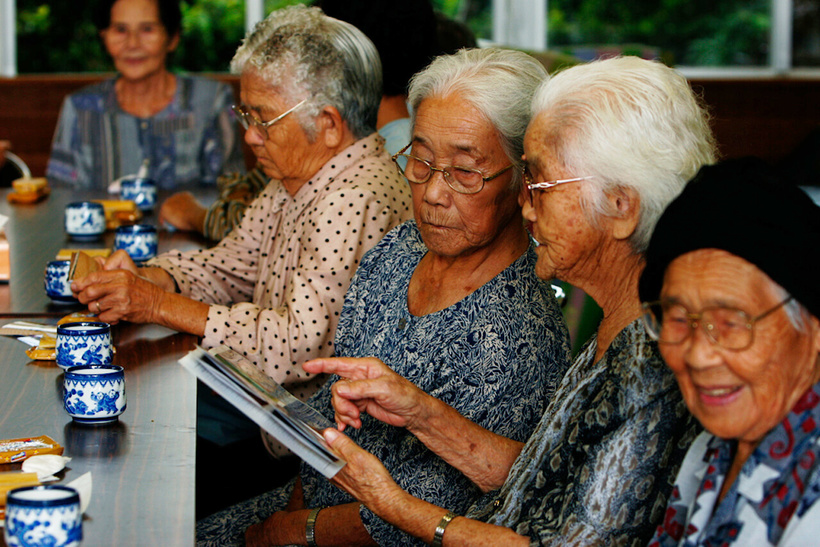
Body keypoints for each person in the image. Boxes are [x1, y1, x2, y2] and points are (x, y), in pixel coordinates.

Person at [302, 55, 717, 546]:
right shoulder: (619, 322)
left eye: (539, 186)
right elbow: (542, 475)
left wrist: (392, 504)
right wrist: (420, 411)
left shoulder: (652, 366)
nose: (524, 204)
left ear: (621, 208)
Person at [196, 47, 571, 547]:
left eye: (464, 171)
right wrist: (291, 508)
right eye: (420, 161)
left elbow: (420, 517)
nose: (433, 193)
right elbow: (332, 413)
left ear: (523, 179)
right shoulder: (398, 250)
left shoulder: (517, 331)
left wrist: (292, 531)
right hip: (310, 497)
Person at [72, 5, 411, 418]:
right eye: (245, 114)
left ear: (328, 124)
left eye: (264, 119)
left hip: (297, 429)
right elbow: (230, 266)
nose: (250, 136)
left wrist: (157, 305)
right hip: (254, 396)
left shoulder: (352, 199)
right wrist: (144, 278)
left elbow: (293, 348)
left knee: (140, 413)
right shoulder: (297, 174)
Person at [639, 158, 820, 546]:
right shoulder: (712, 449)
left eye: (733, 322)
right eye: (679, 319)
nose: (699, 355)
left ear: (814, 326)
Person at [158, 0, 440, 240]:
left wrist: (196, 214)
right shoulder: (395, 138)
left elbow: (255, 232)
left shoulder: (384, 159)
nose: (252, 134)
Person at [46, 0, 245, 190]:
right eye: (120, 30)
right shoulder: (80, 108)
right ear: (104, 37)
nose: (132, 44)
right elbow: (60, 194)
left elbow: (234, 192)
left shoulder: (211, 100)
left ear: (172, 38)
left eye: (147, 29)